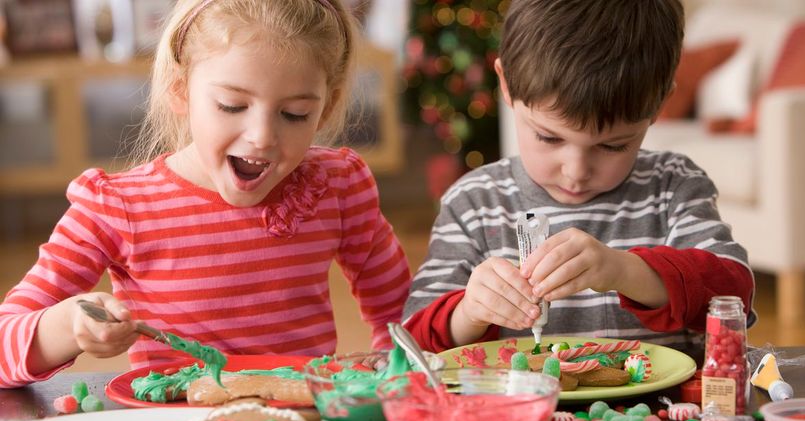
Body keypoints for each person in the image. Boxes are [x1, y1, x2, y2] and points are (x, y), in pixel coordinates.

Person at [0, 0, 411, 388]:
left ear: (326, 105)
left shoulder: (339, 186)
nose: (262, 137)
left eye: (294, 114)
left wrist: (387, 374)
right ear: (180, 90)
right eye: (232, 105)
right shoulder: (116, 207)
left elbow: (404, 320)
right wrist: (68, 327)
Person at [403, 0, 754, 359]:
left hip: (661, 413)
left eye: (613, 145)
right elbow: (412, 342)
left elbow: (734, 297)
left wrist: (624, 271)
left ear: (659, 105)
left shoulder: (673, 187)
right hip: (520, 413)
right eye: (549, 138)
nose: (576, 170)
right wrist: (469, 311)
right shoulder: (473, 204)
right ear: (506, 84)